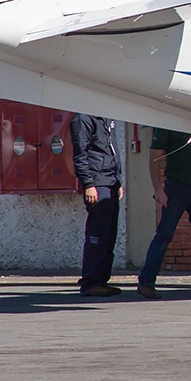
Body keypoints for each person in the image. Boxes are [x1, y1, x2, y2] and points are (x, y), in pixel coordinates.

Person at [136, 128, 191, 298]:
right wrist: (158, 189)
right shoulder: (166, 125)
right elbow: (154, 157)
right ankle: (146, 282)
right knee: (164, 235)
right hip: (176, 187)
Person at [71, 112, 125, 297]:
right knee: (97, 234)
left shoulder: (108, 118)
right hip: (97, 181)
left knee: (109, 235)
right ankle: (90, 281)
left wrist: (118, 181)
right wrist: (88, 184)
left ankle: (102, 280)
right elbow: (80, 153)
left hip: (110, 180)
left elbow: (112, 149)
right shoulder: (83, 118)